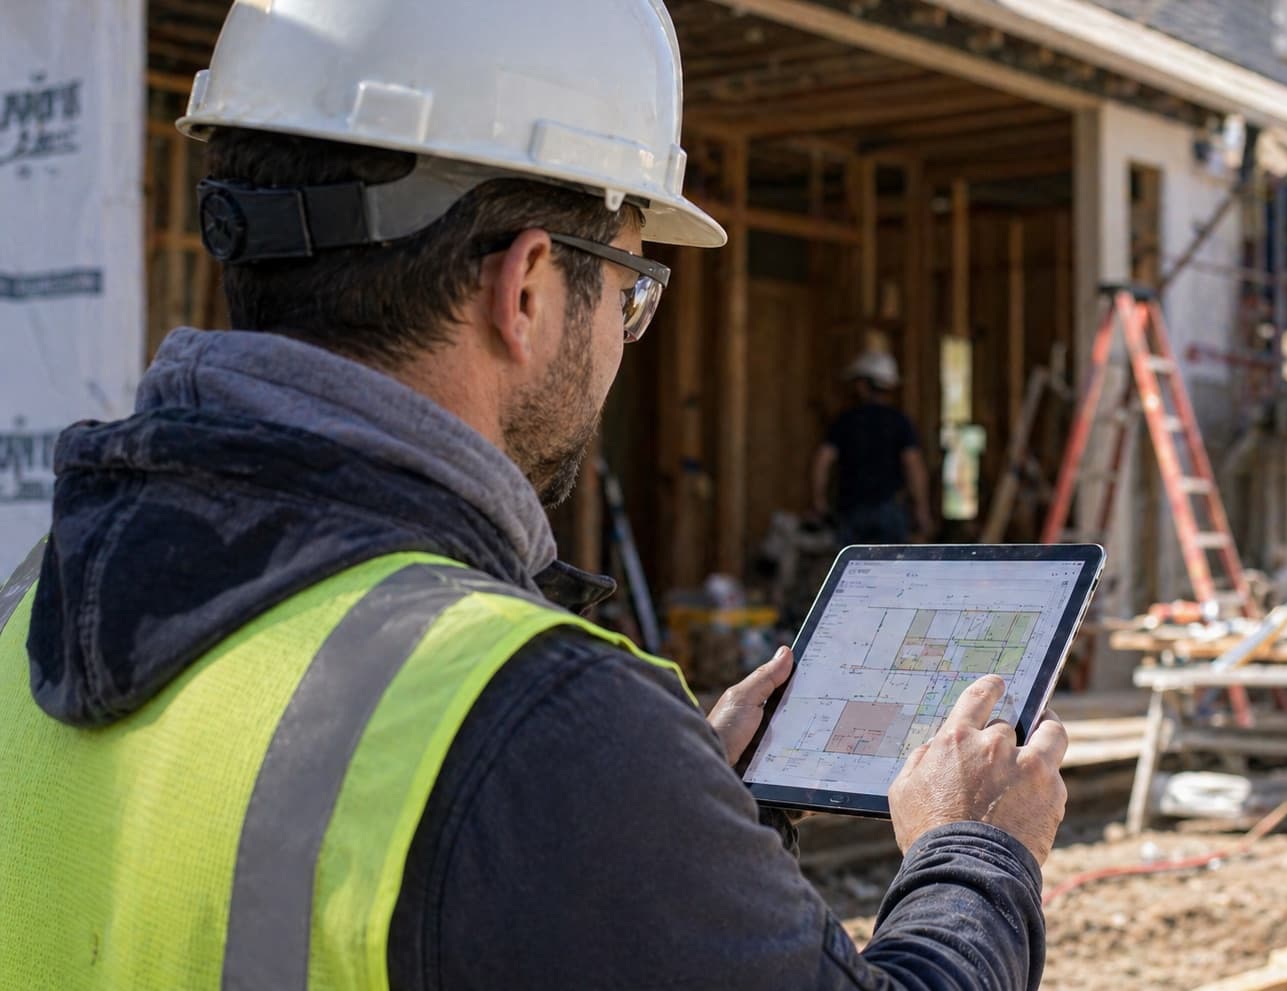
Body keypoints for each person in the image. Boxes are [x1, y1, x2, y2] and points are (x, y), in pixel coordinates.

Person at [0, 2, 1070, 989]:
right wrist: (974, 852)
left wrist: (679, 822)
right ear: (525, 288)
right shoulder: (539, 724)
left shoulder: (31, 604)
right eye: (629, 290)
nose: (621, 341)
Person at [812, 349, 934, 545]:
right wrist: (922, 510)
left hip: (852, 509)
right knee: (893, 570)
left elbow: (823, 461)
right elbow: (914, 466)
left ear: (863, 385)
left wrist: (819, 500)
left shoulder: (846, 421)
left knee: (853, 570)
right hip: (890, 509)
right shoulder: (899, 422)